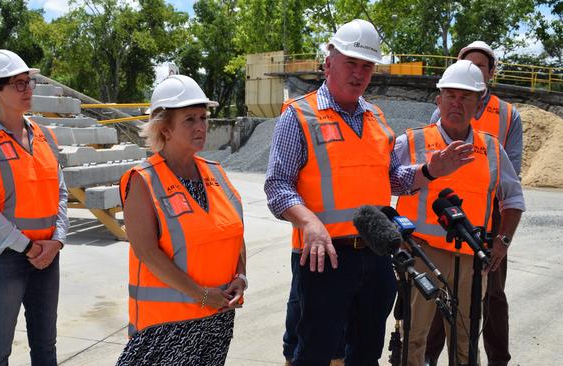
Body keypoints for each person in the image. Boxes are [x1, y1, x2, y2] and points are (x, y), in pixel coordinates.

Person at [264, 19, 474, 366]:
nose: (359, 73)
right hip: (324, 257)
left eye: (367, 66)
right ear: (329, 62)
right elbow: (277, 185)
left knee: (365, 354)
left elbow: (392, 179)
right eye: (351, 63)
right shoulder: (299, 115)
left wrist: (430, 171)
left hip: (377, 257)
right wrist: (308, 222)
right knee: (315, 353)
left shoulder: (377, 118)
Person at [394, 60, 525, 366]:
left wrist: (502, 242)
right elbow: (384, 184)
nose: (457, 103)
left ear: (479, 105)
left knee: (465, 339)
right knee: (414, 337)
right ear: (438, 100)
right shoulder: (412, 141)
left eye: (466, 97)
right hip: (421, 255)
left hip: (470, 258)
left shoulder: (492, 149)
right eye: (450, 95)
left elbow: (514, 198)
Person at [116, 75, 247, 366]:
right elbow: (147, 253)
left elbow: (234, 234)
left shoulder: (216, 173)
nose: (201, 126)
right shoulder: (143, 180)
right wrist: (201, 296)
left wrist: (240, 276)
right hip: (166, 328)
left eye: (203, 117)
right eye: (189, 119)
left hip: (216, 320)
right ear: (165, 128)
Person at [0, 49, 68, 365]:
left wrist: (56, 241)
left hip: (47, 255)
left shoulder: (45, 136)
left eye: (28, 82)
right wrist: (30, 248)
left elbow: (60, 193)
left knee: (46, 347)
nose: (27, 90)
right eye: (17, 84)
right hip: (0, 259)